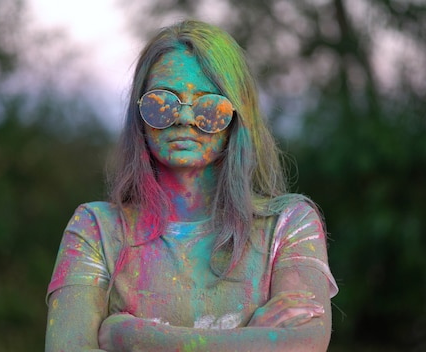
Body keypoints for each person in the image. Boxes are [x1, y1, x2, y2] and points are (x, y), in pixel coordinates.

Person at [45, 20, 338, 352]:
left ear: (237, 116)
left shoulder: (289, 225)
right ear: (139, 112)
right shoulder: (97, 230)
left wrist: (131, 337)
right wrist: (251, 341)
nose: (184, 118)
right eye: (163, 101)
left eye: (208, 104)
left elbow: (305, 345)